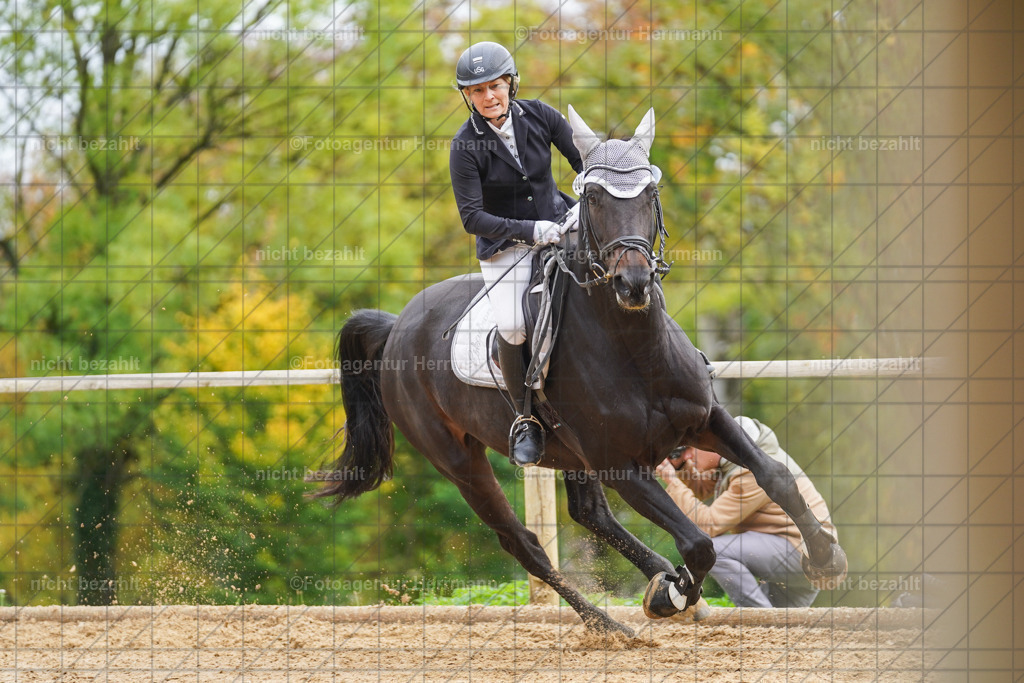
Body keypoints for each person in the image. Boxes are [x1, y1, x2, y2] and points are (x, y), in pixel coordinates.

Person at [449, 42, 583, 467]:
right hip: (506, 247)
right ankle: (526, 419)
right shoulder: (464, 146)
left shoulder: (541, 115)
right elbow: (472, 217)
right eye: (477, 91)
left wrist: (590, 195)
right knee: (512, 325)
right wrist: (529, 230)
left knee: (618, 270)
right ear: (467, 97)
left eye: (495, 86)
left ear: (511, 83)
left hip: (560, 228)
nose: (488, 96)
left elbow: (584, 160)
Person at [655, 416, 838, 608]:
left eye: (690, 447)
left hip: (801, 553)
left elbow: (709, 525)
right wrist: (680, 466)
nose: (687, 455)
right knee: (779, 625)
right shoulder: (736, 460)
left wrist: (671, 480)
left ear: (712, 443)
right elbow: (702, 489)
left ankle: (758, 616)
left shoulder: (752, 473)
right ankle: (763, 619)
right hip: (799, 555)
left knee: (711, 552)